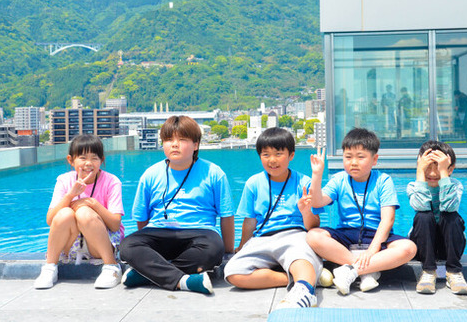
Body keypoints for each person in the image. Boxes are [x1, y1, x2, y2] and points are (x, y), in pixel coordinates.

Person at [119, 115, 235, 295]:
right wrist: (150, 237)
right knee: (128, 245)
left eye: (182, 140)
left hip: (200, 233)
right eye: (169, 140)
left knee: (214, 248)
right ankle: (184, 281)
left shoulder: (214, 173)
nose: (174, 145)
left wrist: (227, 251)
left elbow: (226, 215)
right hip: (159, 232)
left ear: (195, 145)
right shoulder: (151, 174)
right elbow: (142, 219)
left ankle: (146, 274)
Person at [306, 128, 416, 295]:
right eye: (348, 157)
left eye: (360, 157)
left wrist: (372, 249)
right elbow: (317, 202)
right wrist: (317, 174)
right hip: (346, 233)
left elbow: (388, 220)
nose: (353, 162)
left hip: (376, 235)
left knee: (409, 248)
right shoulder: (339, 179)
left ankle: (350, 271)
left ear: (374, 159)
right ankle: (367, 271)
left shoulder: (383, 181)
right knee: (313, 236)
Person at [224, 128, 323, 309]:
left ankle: (304, 291)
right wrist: (242, 246)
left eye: (278, 154)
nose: (272, 160)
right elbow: (250, 222)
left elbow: (313, 226)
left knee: (302, 258)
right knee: (233, 273)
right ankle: (294, 278)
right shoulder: (253, 183)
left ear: (291, 155)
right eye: (266, 154)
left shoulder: (304, 183)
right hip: (262, 238)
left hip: (294, 235)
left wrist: (306, 211)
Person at [34, 134, 124, 289]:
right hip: (71, 245)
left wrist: (92, 203)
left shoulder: (111, 181)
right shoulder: (64, 180)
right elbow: (50, 220)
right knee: (64, 214)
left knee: (84, 213)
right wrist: (70, 195)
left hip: (100, 244)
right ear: (71, 160)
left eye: (94, 158)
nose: (88, 163)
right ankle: (50, 267)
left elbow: (115, 225)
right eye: (82, 158)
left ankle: (111, 266)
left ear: (101, 160)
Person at [407, 140, 467, 295]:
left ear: (450, 169)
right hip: (422, 245)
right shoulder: (413, 186)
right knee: (423, 216)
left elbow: (450, 207)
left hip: (449, 247)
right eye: (428, 166)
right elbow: (420, 206)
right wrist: (420, 174)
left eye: (439, 167)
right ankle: (428, 271)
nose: (433, 173)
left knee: (451, 216)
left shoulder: (455, 185)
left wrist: (444, 176)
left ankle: (454, 272)